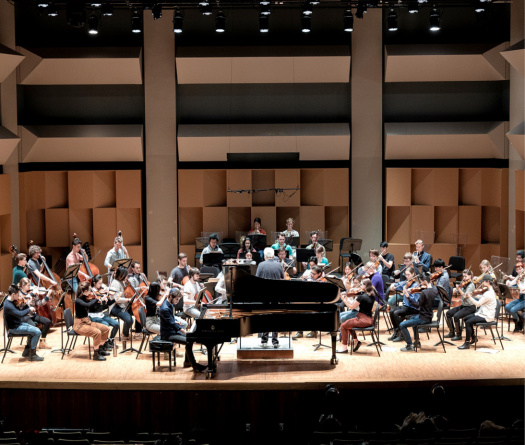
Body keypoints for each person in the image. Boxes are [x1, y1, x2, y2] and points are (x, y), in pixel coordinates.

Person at [159, 288, 207, 372]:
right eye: (176, 299)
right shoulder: (165, 308)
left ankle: (187, 361)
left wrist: (177, 322)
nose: (177, 301)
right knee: (188, 340)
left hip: (172, 330)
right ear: (170, 297)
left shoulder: (169, 303)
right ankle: (194, 365)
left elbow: (171, 320)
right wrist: (184, 332)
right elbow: (171, 324)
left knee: (190, 339)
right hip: (167, 334)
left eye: (179, 299)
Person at [3, 285, 44, 361]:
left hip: (18, 324)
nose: (19, 296)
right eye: (18, 294)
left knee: (34, 329)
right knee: (37, 332)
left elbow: (19, 312)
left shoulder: (11, 301)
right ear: (13, 295)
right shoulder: (8, 305)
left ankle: (27, 351)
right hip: (14, 328)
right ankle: (32, 355)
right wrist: (29, 309)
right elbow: (20, 314)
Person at [458, 275, 499, 350]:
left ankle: (467, 343)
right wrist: (474, 295)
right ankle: (473, 338)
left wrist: (470, 297)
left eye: (483, 281)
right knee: (466, 318)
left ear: (488, 282)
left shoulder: (488, 293)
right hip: (483, 313)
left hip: (487, 316)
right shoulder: (489, 291)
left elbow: (478, 304)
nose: (482, 283)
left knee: (468, 322)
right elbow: (483, 298)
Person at [399, 272, 437, 352]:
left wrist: (408, 297)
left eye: (421, 282)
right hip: (429, 315)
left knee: (402, 325)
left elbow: (417, 305)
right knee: (412, 317)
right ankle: (417, 341)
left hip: (423, 318)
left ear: (425, 282)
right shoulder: (434, 289)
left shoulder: (424, 292)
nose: (420, 284)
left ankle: (409, 345)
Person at [337, 279, 376, 353]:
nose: (360, 286)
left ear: (365, 286)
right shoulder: (371, 295)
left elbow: (351, 307)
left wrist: (343, 299)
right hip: (369, 319)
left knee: (343, 326)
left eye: (361, 284)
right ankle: (356, 341)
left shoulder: (362, 296)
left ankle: (344, 348)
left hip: (363, 320)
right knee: (348, 323)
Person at [74, 281, 111, 361]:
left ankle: (100, 349)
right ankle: (96, 354)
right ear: (85, 291)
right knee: (97, 332)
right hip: (79, 325)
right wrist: (97, 298)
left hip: (87, 322)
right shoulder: (78, 300)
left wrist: (100, 300)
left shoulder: (86, 297)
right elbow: (88, 305)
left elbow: (92, 304)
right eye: (89, 290)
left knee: (105, 329)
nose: (91, 292)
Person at [256, 247, 284, 347]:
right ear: (273, 256)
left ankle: (264, 341)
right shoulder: (278, 265)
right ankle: (275, 342)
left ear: (265, 256)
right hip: (276, 296)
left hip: (264, 296)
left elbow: (257, 279)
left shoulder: (261, 265)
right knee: (275, 317)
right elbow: (282, 277)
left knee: (265, 317)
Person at [17, 277, 52, 350]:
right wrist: (32, 294)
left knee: (47, 321)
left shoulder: (32, 293)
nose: (30, 287)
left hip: (32, 315)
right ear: (23, 286)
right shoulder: (19, 294)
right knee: (34, 327)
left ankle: (42, 341)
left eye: (30, 285)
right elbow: (21, 304)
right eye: (28, 286)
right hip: (24, 316)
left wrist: (47, 296)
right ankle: (31, 345)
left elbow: (40, 303)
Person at [388, 266, 420, 342]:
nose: (407, 276)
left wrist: (407, 295)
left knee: (396, 313)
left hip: (413, 308)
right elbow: (394, 285)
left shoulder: (416, 286)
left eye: (408, 274)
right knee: (391, 311)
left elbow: (415, 301)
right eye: (406, 274)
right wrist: (392, 286)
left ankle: (402, 333)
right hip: (406, 306)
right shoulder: (406, 283)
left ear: (413, 274)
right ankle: (396, 331)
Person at [87, 274, 120, 346]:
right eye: (99, 283)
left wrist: (114, 299)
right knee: (106, 325)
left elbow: (106, 305)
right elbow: (92, 307)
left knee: (116, 324)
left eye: (102, 283)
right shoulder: (91, 293)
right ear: (94, 283)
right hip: (93, 316)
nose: (101, 285)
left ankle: (110, 340)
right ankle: (104, 343)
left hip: (101, 315)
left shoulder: (101, 292)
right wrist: (100, 300)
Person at [445, 269, 476, 341]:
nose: (464, 278)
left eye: (465, 276)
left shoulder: (471, 285)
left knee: (456, 316)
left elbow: (465, 296)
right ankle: (452, 332)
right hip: (464, 306)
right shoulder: (465, 284)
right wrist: (455, 289)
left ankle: (458, 335)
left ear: (470, 276)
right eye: (463, 277)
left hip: (470, 307)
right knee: (448, 313)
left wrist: (459, 289)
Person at [109, 266, 134, 340]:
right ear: (122, 275)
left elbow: (125, 291)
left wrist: (128, 284)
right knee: (129, 320)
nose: (127, 276)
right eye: (126, 274)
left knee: (136, 311)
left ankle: (135, 331)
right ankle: (124, 334)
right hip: (115, 307)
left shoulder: (121, 281)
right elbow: (116, 299)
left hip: (123, 305)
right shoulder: (115, 283)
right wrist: (128, 300)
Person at [504, 262, 525, 332]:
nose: (520, 270)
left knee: (513, 310)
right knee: (506, 307)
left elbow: (523, 290)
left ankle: (518, 323)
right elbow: (511, 283)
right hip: (521, 298)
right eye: (517, 269)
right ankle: (519, 320)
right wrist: (507, 282)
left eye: (521, 268)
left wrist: (518, 283)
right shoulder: (519, 276)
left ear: (523, 268)